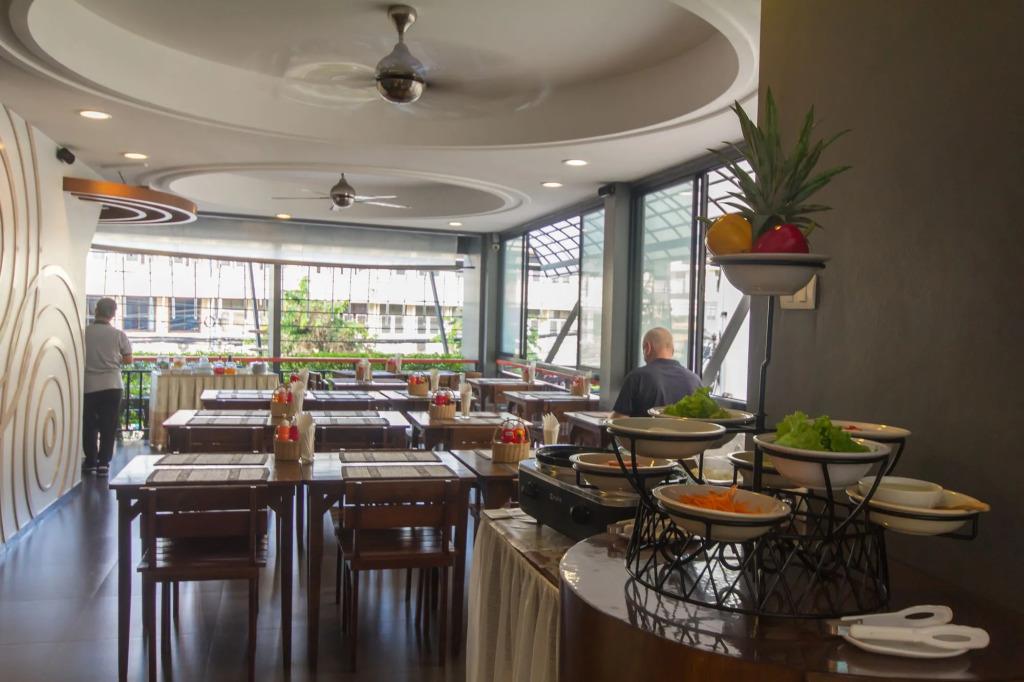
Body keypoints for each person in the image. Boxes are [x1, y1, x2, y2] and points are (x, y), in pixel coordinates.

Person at [82, 297, 132, 476]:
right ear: (113, 314)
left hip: (89, 385)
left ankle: (90, 461)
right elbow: (128, 359)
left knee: (89, 425)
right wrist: (114, 359)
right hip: (112, 384)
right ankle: (104, 463)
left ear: (96, 311)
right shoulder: (118, 334)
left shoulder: (84, 333)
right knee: (108, 425)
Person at [611, 327, 702, 418]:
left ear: (648, 348)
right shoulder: (695, 380)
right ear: (673, 350)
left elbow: (619, 420)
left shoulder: (637, 377)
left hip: (646, 428)